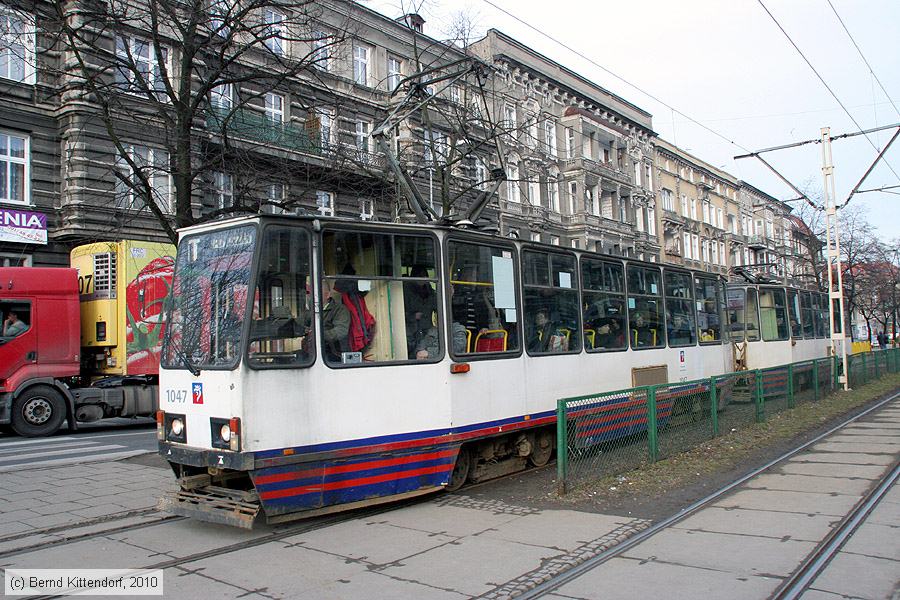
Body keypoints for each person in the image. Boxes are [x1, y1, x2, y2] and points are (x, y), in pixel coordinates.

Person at [403, 265, 436, 355]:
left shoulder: (430, 290)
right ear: (414, 277)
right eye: (421, 276)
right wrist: (413, 316)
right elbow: (398, 313)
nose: (423, 279)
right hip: (410, 331)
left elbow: (437, 305)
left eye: (425, 276)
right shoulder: (404, 291)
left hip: (427, 330)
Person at [321, 278, 351, 362]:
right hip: (315, 352)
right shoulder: (312, 312)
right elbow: (299, 323)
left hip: (335, 354)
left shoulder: (340, 310)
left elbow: (340, 331)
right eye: (309, 293)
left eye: (316, 294)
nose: (311, 296)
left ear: (327, 295)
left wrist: (317, 335)